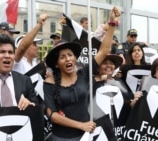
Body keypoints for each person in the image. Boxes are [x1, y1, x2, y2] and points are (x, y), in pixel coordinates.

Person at [43, 6, 121, 141]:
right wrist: (81, 125)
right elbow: (53, 116)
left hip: (85, 137)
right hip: (61, 138)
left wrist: (112, 23)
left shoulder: (84, 72)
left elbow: (104, 50)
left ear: (75, 58)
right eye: (62, 57)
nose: (67, 59)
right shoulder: (49, 82)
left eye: (70, 55)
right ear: (56, 64)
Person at [92, 54, 131, 140]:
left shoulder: (120, 82)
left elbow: (127, 102)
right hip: (98, 130)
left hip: (119, 130)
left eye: (111, 63)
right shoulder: (90, 82)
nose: (109, 65)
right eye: (105, 63)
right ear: (98, 66)